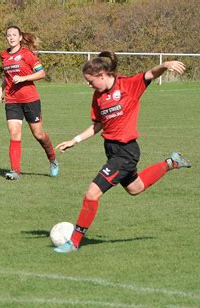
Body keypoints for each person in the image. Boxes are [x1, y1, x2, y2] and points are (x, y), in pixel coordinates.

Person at [54, 51, 191, 253]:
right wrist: (75, 140)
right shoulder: (98, 97)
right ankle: (172, 162)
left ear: (102, 75)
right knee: (135, 188)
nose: (89, 85)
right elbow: (97, 125)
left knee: (92, 193)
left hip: (126, 152)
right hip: (112, 151)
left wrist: (165, 65)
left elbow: (150, 74)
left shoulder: (128, 85)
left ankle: (74, 242)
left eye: (91, 81)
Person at [0, 25, 58, 180]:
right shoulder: (4, 55)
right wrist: (0, 89)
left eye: (14, 35)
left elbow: (41, 73)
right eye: (8, 35)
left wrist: (23, 78)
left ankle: (52, 159)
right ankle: (15, 171)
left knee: (39, 135)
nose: (11, 37)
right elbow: (8, 76)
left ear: (19, 37)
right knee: (14, 132)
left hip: (30, 99)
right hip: (12, 100)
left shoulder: (27, 54)